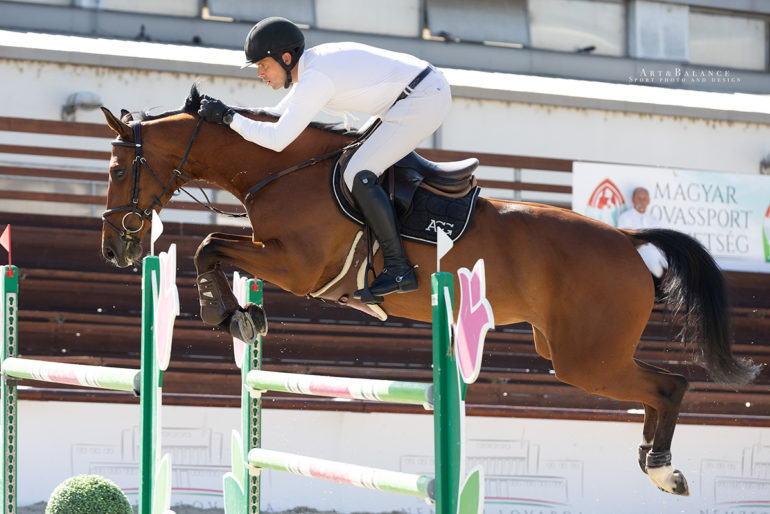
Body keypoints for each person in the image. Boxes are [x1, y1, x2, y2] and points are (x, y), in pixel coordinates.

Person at [197, 17, 452, 300]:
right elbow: (277, 116)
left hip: (423, 99)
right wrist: (227, 114)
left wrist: (229, 118)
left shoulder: (316, 78)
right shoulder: (311, 71)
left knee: (356, 173)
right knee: (352, 162)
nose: (259, 73)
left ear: (285, 58)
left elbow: (278, 138)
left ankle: (398, 267)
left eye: (262, 65)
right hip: (411, 96)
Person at [618, 187, 668, 279]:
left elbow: (660, 239)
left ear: (648, 201)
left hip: (658, 252)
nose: (642, 201)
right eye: (639, 198)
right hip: (639, 253)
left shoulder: (654, 219)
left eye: (644, 199)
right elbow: (626, 239)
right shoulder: (625, 217)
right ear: (633, 200)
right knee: (657, 271)